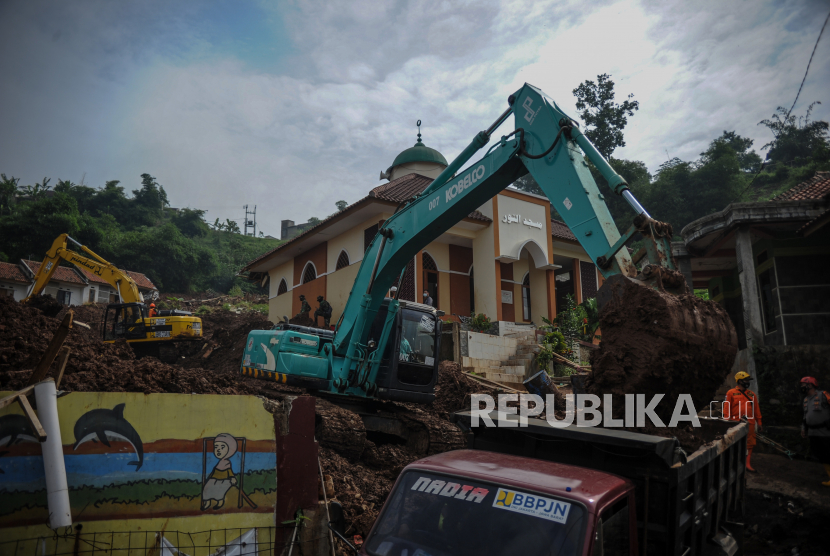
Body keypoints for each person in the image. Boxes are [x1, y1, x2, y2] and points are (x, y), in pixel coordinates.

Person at [725, 371, 762, 472]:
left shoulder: (751, 394)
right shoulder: (731, 393)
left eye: (748, 380)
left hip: (750, 423)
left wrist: (759, 422)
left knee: (749, 443)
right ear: (739, 381)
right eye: (745, 380)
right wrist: (727, 420)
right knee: (734, 443)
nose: (747, 382)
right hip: (735, 423)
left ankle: (747, 464)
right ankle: (734, 463)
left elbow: (756, 409)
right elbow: (726, 408)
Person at [800, 376, 830, 486]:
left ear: (810, 385)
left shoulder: (823, 395)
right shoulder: (806, 400)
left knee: (828, 453)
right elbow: (805, 416)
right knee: (821, 456)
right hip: (813, 432)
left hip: (825, 431)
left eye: (803, 385)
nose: (801, 387)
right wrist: (803, 428)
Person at [201, 433, 238, 510]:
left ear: (230, 449)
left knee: (220, 490)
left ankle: (220, 502)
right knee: (206, 487)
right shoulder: (220, 462)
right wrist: (210, 478)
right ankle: (207, 503)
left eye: (222, 447)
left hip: (224, 480)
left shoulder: (227, 462)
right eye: (216, 447)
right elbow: (215, 472)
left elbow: (229, 471)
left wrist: (232, 478)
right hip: (214, 479)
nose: (218, 449)